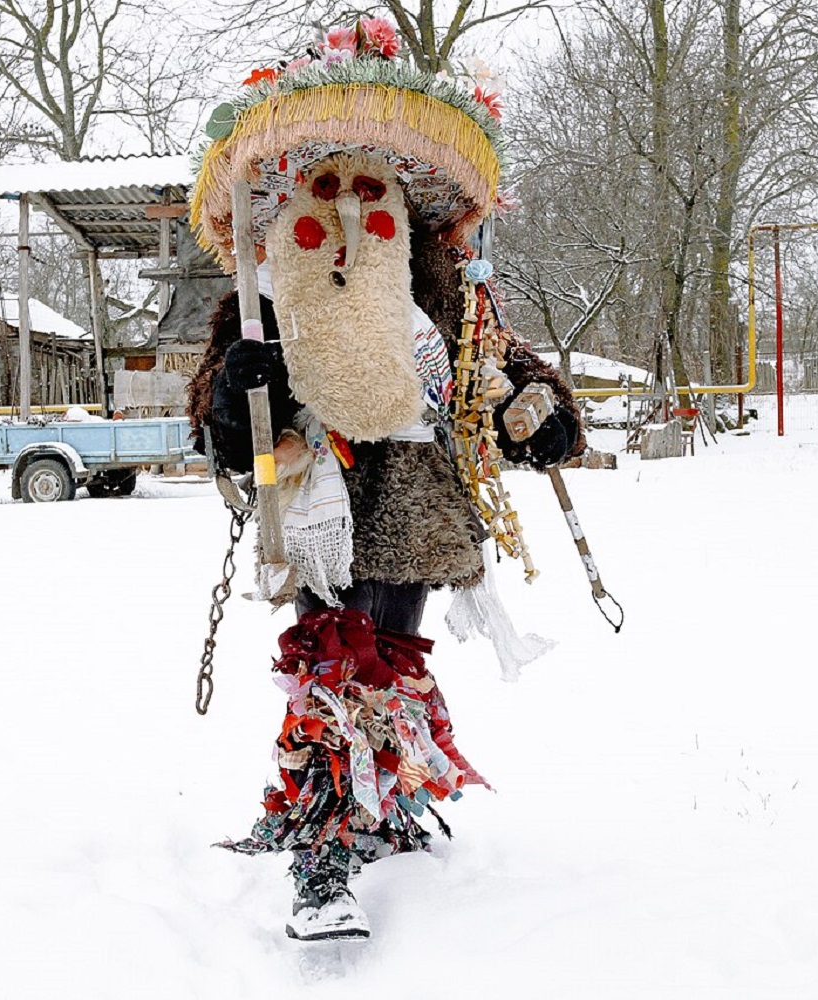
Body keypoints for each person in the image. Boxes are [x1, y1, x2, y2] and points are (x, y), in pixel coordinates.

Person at [185, 18, 583, 941]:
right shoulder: (260, 301)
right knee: (334, 670)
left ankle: (382, 811)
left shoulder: (441, 291)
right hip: (318, 508)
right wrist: (236, 395)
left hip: (409, 507)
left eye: (370, 192)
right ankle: (323, 856)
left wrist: (540, 413)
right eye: (325, 191)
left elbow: (501, 370)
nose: (348, 215)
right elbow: (219, 419)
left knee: (389, 665)